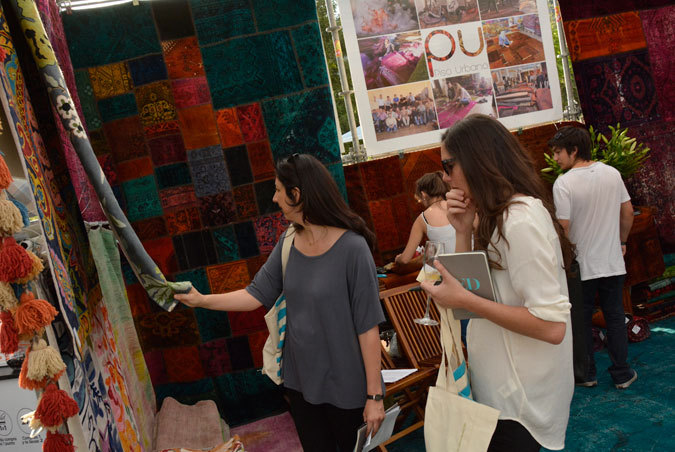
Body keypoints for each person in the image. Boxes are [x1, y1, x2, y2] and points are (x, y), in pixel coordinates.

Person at [174, 154, 386, 451]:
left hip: (347, 386)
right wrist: (200, 300)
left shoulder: (353, 248)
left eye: (277, 190)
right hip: (300, 382)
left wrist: (374, 397)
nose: (274, 198)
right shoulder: (289, 241)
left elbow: (368, 327)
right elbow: (254, 295)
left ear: (296, 194)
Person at [422, 114, 574, 451]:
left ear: (478, 160)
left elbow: (552, 327)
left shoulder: (518, 220)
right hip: (500, 390)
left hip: (518, 400)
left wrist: (464, 298)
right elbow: (467, 300)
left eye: (448, 166)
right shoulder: (497, 216)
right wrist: (462, 230)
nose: (444, 178)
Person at [549, 126, 637, 390]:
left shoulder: (563, 183)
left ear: (574, 150)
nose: (555, 158)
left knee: (582, 320)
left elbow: (563, 226)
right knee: (615, 316)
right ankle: (622, 373)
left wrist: (559, 259)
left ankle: (587, 374)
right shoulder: (612, 173)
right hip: (612, 260)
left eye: (557, 152)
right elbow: (629, 212)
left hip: (580, 265)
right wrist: (621, 241)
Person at [395, 172, 456, 265]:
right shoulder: (458, 205)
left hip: (448, 271)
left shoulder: (422, 219)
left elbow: (405, 259)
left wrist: (398, 259)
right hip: (472, 264)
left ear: (423, 194)